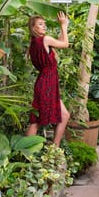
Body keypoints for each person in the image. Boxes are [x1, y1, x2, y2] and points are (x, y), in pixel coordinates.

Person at [26, 11, 70, 147]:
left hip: (44, 82)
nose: (44, 26)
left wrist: (65, 27)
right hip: (47, 83)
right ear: (34, 28)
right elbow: (65, 44)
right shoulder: (45, 40)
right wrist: (63, 25)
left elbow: (59, 41)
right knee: (37, 120)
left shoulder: (34, 43)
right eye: (40, 24)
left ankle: (53, 147)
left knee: (62, 115)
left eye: (44, 24)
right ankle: (26, 150)